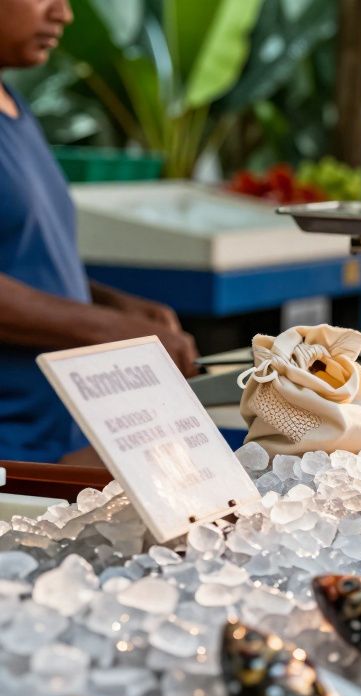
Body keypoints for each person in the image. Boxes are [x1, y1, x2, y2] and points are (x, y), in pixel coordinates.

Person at [0, 0, 199, 465]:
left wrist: (111, 304)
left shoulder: (14, 105)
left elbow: (20, 258)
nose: (63, 14)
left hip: (56, 438)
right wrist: (112, 330)